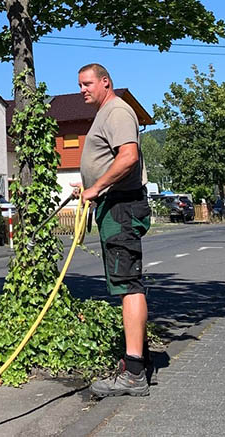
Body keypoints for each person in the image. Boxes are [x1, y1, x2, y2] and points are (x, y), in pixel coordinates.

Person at [71, 63, 152, 397]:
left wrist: (97, 187)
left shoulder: (118, 111)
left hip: (121, 207)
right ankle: (135, 361)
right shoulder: (105, 113)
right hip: (112, 205)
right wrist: (89, 186)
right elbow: (109, 161)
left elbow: (128, 157)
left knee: (129, 284)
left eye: (87, 83)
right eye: (79, 85)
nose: (82, 89)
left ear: (105, 82)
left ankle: (134, 374)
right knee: (124, 284)